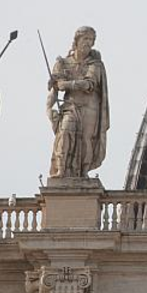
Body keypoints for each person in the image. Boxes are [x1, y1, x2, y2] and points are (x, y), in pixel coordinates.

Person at [46, 26, 110, 179]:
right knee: (65, 134)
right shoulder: (62, 63)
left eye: (91, 40)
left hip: (90, 108)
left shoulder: (94, 64)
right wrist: (49, 109)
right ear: (77, 41)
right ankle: (61, 170)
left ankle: (83, 172)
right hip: (70, 106)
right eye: (85, 39)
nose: (88, 43)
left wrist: (67, 84)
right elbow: (54, 90)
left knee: (86, 140)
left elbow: (89, 84)